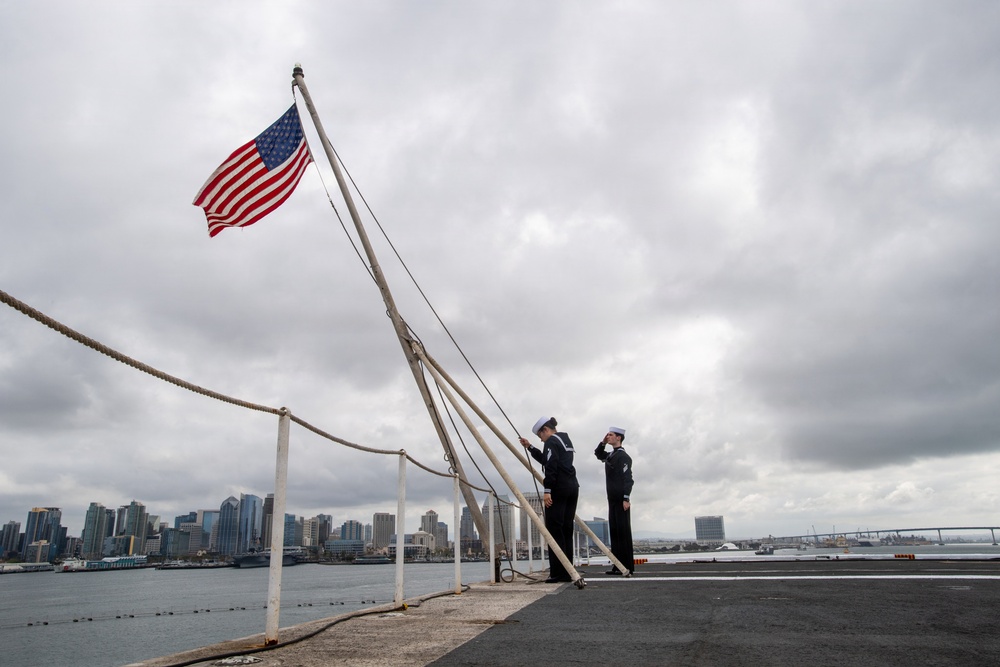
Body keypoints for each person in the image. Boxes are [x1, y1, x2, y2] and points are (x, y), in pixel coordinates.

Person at [518, 416, 580, 583]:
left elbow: (551, 466)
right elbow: (548, 459)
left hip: (558, 489)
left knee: (554, 529)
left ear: (545, 430)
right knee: (566, 529)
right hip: (573, 487)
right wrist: (530, 447)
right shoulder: (565, 439)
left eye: (540, 436)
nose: (541, 439)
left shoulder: (551, 441)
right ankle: (568, 571)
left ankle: (558, 573)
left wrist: (547, 491)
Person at [595, 426, 634, 575]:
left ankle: (627, 565)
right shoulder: (611, 455)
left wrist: (626, 497)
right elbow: (598, 454)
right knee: (615, 533)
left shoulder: (623, 457)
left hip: (620, 499)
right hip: (611, 499)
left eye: (611, 435)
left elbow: (628, 479)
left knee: (623, 533)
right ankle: (618, 565)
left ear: (619, 438)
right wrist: (603, 442)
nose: (608, 436)